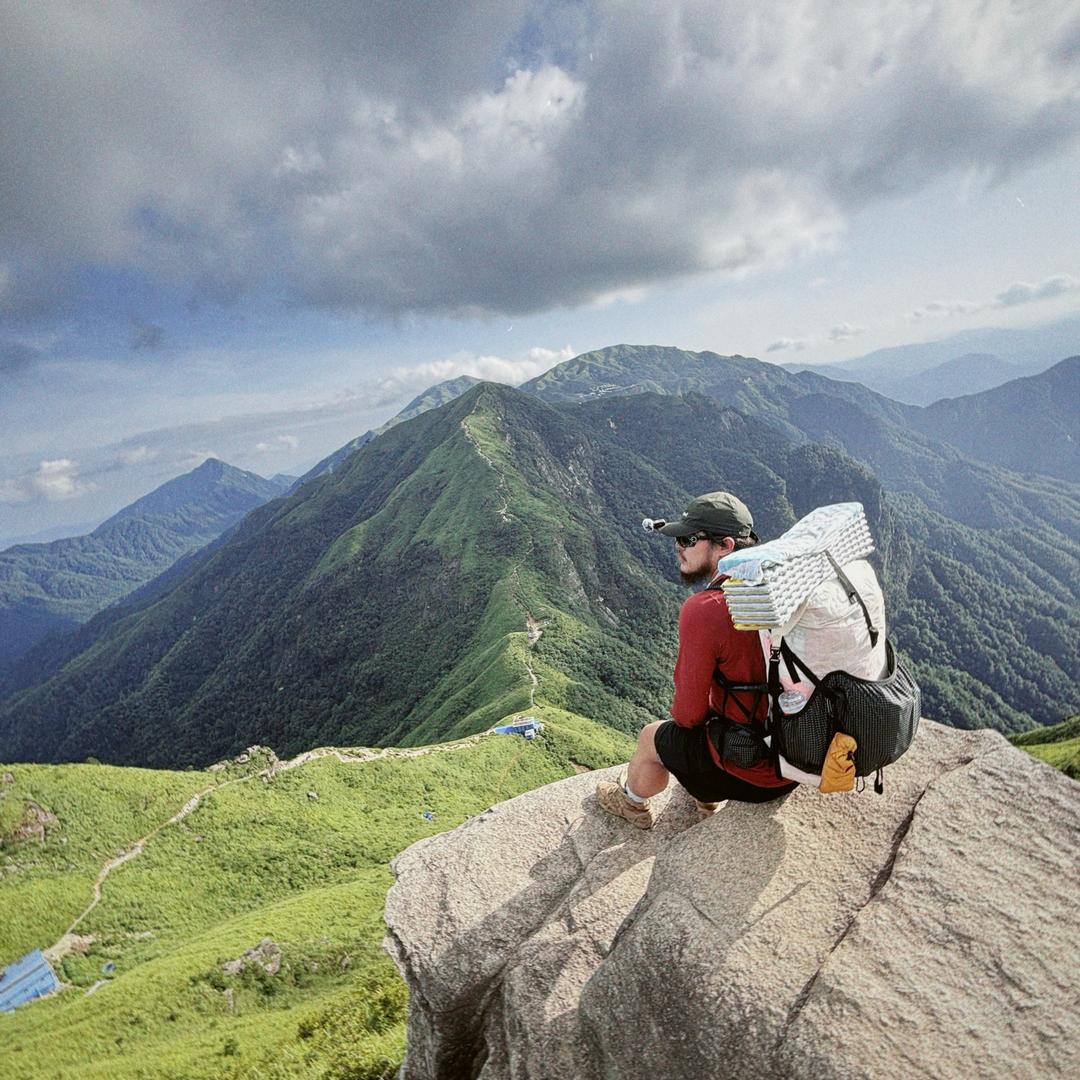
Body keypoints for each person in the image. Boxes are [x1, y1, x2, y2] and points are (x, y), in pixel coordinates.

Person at [597, 491, 797, 828]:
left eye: (689, 539)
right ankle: (705, 800)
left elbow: (687, 717)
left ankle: (632, 804)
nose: (679, 546)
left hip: (753, 775)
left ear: (726, 546)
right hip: (799, 759)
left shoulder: (706, 610)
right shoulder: (784, 584)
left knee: (652, 736)